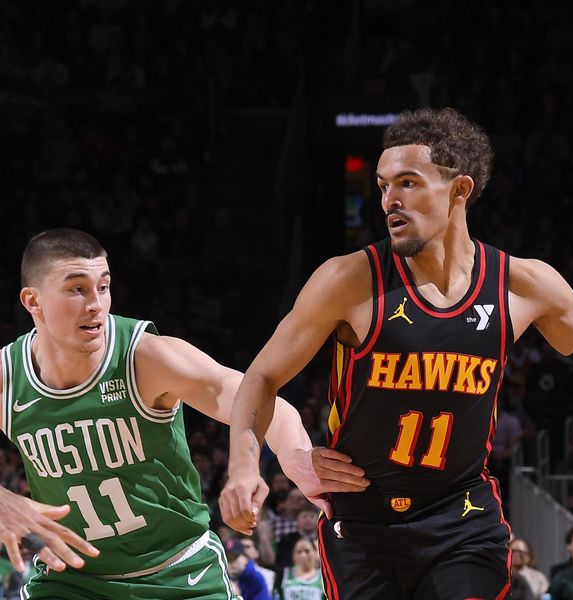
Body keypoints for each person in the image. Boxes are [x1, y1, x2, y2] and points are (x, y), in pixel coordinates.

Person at [221, 107, 573, 599]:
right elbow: (263, 377)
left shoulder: (524, 285)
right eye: (384, 185)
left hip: (463, 518)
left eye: (408, 183)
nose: (389, 199)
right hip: (365, 524)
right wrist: (244, 468)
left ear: (459, 190)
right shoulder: (348, 279)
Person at [0, 229, 366, 600]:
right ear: (33, 301)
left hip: (178, 572)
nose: (96, 303)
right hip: (72, 581)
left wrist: (293, 455)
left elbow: (262, 401)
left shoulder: (147, 358)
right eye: (77, 289)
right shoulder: (7, 377)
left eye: (104, 286)